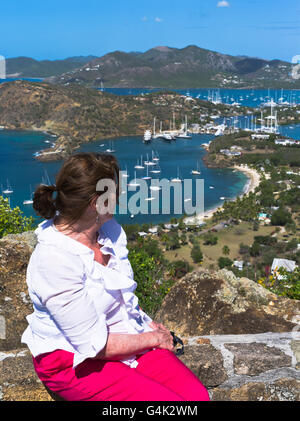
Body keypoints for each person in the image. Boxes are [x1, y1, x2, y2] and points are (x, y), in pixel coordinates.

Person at [21, 152, 210, 401]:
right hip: (75, 359)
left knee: (197, 398)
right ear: (96, 203)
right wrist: (153, 339)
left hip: (127, 337)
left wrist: (145, 321)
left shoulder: (109, 231)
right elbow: (94, 345)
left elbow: (118, 293)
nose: (120, 197)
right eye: (115, 192)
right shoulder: (55, 259)